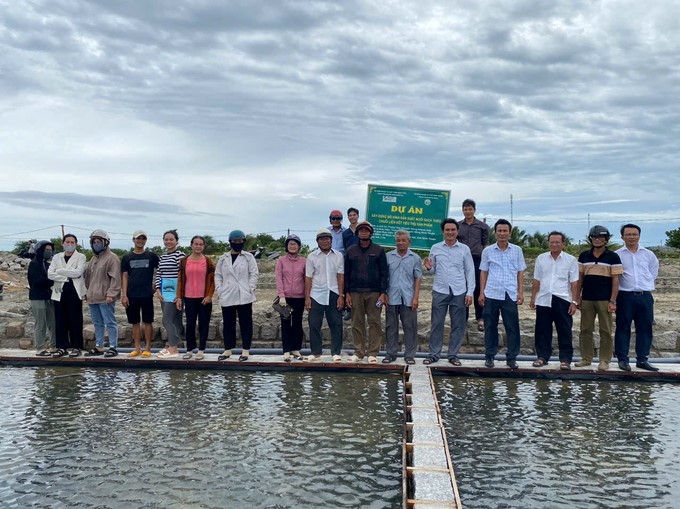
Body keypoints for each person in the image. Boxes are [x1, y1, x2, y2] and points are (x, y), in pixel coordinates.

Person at [423, 219, 475, 366]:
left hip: (459, 291)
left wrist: (470, 292)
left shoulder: (464, 249)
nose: (450, 232)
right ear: (443, 232)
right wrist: (428, 268)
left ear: (457, 231)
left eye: (453, 230)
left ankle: (453, 355)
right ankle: (434, 354)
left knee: (458, 325)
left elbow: (470, 271)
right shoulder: (435, 248)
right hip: (440, 290)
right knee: (436, 323)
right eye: (447, 230)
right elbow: (432, 269)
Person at [479, 219, 527, 369]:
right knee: (490, 325)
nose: (502, 233)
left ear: (510, 233)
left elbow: (520, 272)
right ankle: (490, 356)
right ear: (495, 233)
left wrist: (520, 291)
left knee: (512, 327)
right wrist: (482, 292)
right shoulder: (487, 251)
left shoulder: (517, 250)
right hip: (492, 292)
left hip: (510, 293)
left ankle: (511, 358)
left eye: (505, 231)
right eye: (499, 231)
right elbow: (484, 272)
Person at [574, 225, 623, 371]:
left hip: (605, 299)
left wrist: (613, 300)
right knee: (585, 329)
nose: (597, 240)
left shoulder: (613, 257)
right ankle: (586, 358)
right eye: (594, 237)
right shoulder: (584, 256)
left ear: (606, 239)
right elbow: (580, 278)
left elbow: (616, 281)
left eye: (600, 237)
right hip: (587, 299)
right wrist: (577, 297)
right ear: (591, 239)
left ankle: (604, 360)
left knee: (605, 330)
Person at [529, 232, 579, 370]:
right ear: (548, 243)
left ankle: (565, 359)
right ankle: (542, 357)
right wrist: (533, 298)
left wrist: (574, 302)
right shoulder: (541, 258)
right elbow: (536, 280)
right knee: (542, 330)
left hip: (562, 298)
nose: (554, 244)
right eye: (552, 242)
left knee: (564, 330)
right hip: (544, 298)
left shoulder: (571, 260)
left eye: (557, 242)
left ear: (563, 244)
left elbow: (574, 283)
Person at [614, 224, 660, 372]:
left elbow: (653, 273)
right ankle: (622, 359)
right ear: (622, 237)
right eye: (628, 234)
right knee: (622, 327)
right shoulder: (617, 255)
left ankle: (642, 359)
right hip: (625, 296)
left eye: (634, 234)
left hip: (645, 296)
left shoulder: (648, 254)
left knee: (645, 328)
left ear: (639, 236)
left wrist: (643, 286)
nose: (632, 237)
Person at [344, 221, 389, 364]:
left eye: (366, 231)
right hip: (355, 292)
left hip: (374, 292)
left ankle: (373, 352)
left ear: (371, 233)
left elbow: (384, 273)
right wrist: (347, 293)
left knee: (374, 322)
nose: (364, 233)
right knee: (357, 323)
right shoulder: (351, 250)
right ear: (357, 233)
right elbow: (346, 273)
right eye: (361, 231)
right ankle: (359, 352)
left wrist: (383, 292)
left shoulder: (379, 250)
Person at [215, 230, 259, 362]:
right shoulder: (223, 258)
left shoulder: (248, 257)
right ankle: (228, 349)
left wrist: (250, 288)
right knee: (228, 323)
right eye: (235, 241)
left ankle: (245, 350)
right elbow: (218, 275)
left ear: (243, 242)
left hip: (244, 294)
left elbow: (254, 274)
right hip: (227, 294)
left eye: (240, 241)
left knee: (246, 323)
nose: (237, 243)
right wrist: (220, 289)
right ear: (230, 242)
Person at [304, 229, 345, 362]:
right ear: (317, 241)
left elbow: (340, 276)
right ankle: (315, 352)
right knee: (314, 323)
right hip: (316, 293)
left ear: (331, 240)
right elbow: (308, 278)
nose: (325, 241)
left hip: (333, 292)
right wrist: (307, 297)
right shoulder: (312, 257)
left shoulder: (338, 255)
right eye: (322, 239)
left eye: (327, 238)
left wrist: (341, 295)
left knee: (337, 323)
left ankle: (336, 353)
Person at [383, 229, 422, 365]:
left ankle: (410, 355)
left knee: (410, 327)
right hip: (391, 297)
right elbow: (384, 277)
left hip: (408, 297)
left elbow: (417, 278)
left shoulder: (415, 258)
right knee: (390, 326)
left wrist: (416, 297)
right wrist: (383, 294)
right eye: (398, 240)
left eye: (403, 240)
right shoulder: (388, 256)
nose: (400, 243)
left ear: (408, 242)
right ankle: (391, 353)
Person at [121, 230, 159, 358]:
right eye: (138, 239)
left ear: (145, 240)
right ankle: (137, 348)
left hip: (147, 294)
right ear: (133, 240)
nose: (140, 241)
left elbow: (161, 271)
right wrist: (124, 294)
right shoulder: (126, 258)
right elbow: (124, 276)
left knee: (148, 322)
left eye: (143, 239)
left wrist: (156, 285)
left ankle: (148, 348)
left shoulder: (152, 256)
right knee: (135, 322)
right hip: (131, 295)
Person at [177, 235, 215, 361]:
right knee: (190, 324)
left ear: (203, 246)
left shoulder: (208, 261)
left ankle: (201, 349)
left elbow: (212, 280)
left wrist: (209, 295)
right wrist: (178, 297)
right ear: (191, 245)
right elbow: (180, 280)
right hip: (189, 297)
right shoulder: (184, 261)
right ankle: (189, 349)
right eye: (196, 244)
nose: (198, 246)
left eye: (201, 244)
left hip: (204, 298)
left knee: (204, 324)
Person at [85, 229, 122, 357]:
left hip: (106, 297)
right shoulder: (93, 259)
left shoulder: (112, 258)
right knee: (97, 323)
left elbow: (116, 278)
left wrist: (111, 293)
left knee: (110, 322)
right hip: (92, 297)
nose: (96, 244)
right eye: (94, 242)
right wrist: (87, 293)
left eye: (98, 241)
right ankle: (99, 346)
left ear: (105, 242)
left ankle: (113, 347)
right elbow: (88, 278)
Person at [49, 234, 87, 357]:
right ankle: (62, 347)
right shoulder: (56, 257)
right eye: (67, 242)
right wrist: (66, 276)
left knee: (75, 320)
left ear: (76, 244)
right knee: (60, 320)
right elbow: (50, 274)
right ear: (63, 243)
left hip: (74, 291)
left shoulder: (80, 257)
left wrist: (59, 271)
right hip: (59, 291)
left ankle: (77, 347)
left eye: (72, 242)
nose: (70, 244)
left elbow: (78, 272)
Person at [457, 199, 490, 331]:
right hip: (462, 261)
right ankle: (463, 318)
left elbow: (485, 244)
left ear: (474, 210)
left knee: (477, 288)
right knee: (464, 288)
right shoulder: (458, 226)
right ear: (463, 210)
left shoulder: (482, 226)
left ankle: (480, 318)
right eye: (465, 209)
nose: (468, 211)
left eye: (470, 209)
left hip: (477, 259)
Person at [274, 234, 306, 362]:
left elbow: (306, 279)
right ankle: (286, 350)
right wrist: (281, 295)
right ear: (287, 246)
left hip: (300, 297)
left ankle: (296, 349)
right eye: (290, 244)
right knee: (285, 323)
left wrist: (307, 296)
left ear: (299, 246)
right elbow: (278, 278)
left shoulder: (304, 261)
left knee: (297, 323)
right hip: (285, 298)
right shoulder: (281, 260)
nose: (293, 246)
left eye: (295, 244)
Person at [154, 230, 185, 359]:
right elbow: (159, 274)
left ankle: (173, 348)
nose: (168, 242)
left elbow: (182, 276)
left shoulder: (180, 255)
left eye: (171, 239)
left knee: (167, 319)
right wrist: (158, 290)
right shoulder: (163, 257)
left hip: (175, 291)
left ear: (176, 241)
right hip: (164, 291)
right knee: (174, 320)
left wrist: (179, 295)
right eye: (166, 239)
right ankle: (173, 346)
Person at [28, 240, 56, 356]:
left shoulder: (47, 264)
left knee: (53, 322)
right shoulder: (34, 264)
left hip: (48, 296)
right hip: (37, 297)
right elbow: (38, 281)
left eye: (50, 250)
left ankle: (54, 346)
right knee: (41, 324)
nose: (49, 252)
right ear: (40, 250)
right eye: (46, 250)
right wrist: (52, 280)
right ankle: (40, 348)